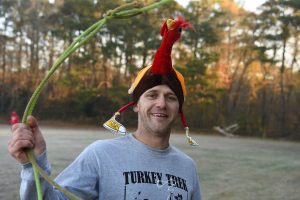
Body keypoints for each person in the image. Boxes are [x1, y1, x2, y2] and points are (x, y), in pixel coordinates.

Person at [8, 16, 201, 200]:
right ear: (135, 105)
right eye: (152, 95)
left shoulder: (187, 167)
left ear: (179, 109)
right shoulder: (101, 155)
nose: (161, 103)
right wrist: (34, 165)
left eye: (171, 97)